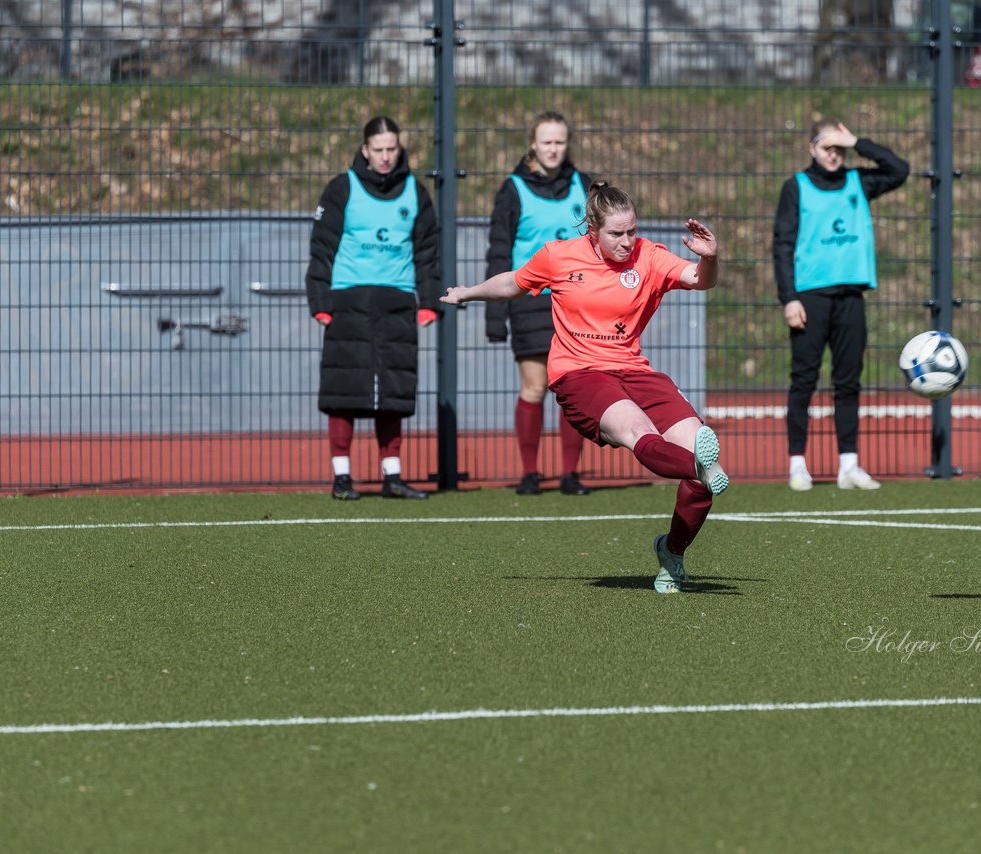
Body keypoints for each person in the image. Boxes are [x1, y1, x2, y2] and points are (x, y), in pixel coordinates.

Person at [442, 180, 728, 594]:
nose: (627, 241)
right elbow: (514, 283)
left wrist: (711, 258)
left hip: (634, 370)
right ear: (592, 231)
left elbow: (701, 280)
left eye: (632, 230)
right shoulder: (559, 256)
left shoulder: (649, 255)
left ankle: (673, 552)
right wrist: (468, 293)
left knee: (701, 457)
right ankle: (698, 463)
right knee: (639, 433)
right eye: (617, 233)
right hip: (579, 375)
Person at [305, 115, 440, 501]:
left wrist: (428, 301)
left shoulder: (416, 192)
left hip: (397, 300)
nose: (385, 157)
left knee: (395, 389)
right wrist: (320, 301)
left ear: (400, 149)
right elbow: (322, 248)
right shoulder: (341, 189)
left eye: (391, 149)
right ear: (365, 150)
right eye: (377, 149)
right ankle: (342, 477)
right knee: (343, 389)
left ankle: (392, 477)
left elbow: (426, 253)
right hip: (348, 300)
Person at [773, 118, 908, 492]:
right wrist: (789, 298)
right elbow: (782, 245)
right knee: (804, 380)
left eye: (838, 147)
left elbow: (900, 170)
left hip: (851, 296)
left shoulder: (857, 182)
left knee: (848, 382)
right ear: (811, 149)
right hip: (810, 297)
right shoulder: (795, 188)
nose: (833, 154)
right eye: (825, 146)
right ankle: (797, 464)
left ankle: (849, 465)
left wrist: (856, 139)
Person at [485, 112, 593, 496]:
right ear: (533, 143)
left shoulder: (585, 186)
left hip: (578, 303)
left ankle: (569, 474)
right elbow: (499, 252)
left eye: (560, 142)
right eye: (546, 141)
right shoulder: (513, 188)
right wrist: (494, 314)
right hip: (531, 301)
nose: (553, 148)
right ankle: (530, 472)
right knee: (535, 386)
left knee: (573, 388)